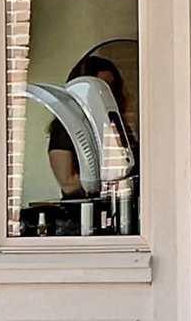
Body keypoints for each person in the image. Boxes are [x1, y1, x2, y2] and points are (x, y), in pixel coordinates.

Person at [45, 54, 138, 207]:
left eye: (112, 89)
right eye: (101, 88)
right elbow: (67, 183)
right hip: (81, 212)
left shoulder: (117, 126)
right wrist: (112, 178)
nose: (107, 95)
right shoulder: (64, 129)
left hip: (122, 207)